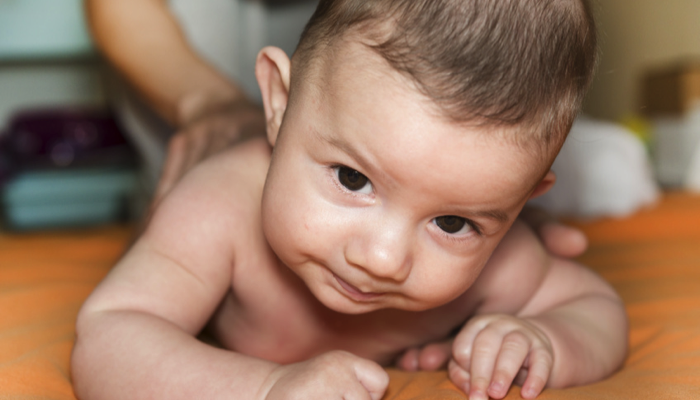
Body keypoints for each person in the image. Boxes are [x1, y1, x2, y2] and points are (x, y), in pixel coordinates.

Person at [72, 1, 628, 400]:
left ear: (517, 204)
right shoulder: (218, 209)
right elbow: (110, 334)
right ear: (279, 104)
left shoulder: (499, 264)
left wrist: (543, 339)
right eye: (352, 180)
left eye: (453, 222)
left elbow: (596, 309)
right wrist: (263, 388)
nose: (383, 259)